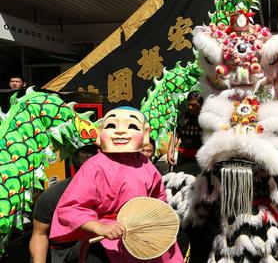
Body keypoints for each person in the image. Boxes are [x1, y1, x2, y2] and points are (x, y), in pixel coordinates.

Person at [49, 106, 183, 263]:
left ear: (145, 133)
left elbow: (157, 202)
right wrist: (100, 227)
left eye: (132, 126)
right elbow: (71, 208)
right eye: (111, 125)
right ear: (100, 132)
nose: (120, 131)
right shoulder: (94, 166)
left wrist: (160, 228)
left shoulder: (146, 165)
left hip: (142, 236)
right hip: (105, 241)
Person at [29, 145, 98, 263]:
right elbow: (39, 235)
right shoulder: (52, 197)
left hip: (90, 243)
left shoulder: (110, 190)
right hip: (59, 250)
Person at [167, 91, 203, 175]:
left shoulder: (206, 118)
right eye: (189, 104)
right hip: (183, 158)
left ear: (201, 105)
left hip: (200, 159)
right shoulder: (184, 116)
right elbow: (176, 135)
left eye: (194, 105)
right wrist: (170, 152)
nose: (190, 107)